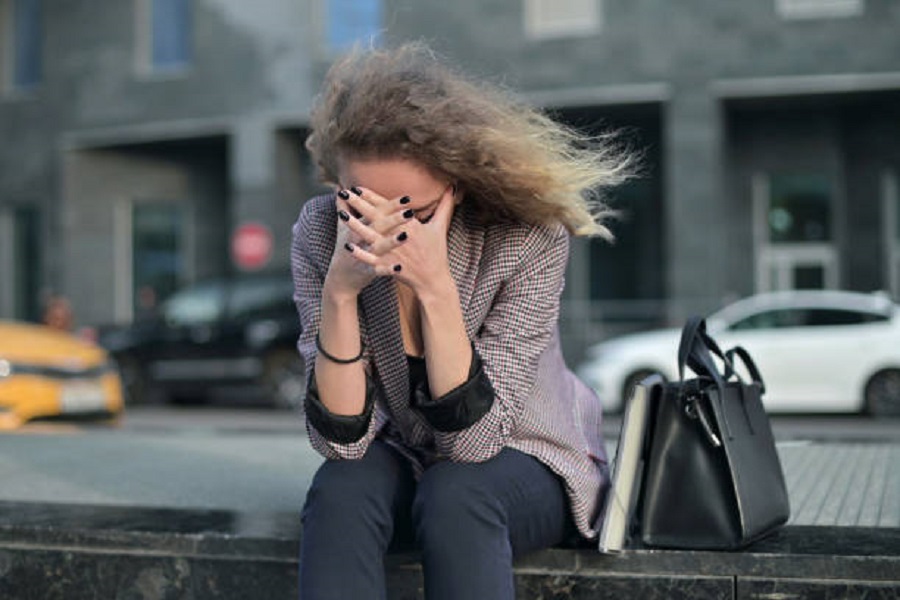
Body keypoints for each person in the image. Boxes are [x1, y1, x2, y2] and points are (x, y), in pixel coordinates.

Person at [290, 42, 632, 600]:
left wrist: (434, 286)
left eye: (410, 213)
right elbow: (342, 443)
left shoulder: (526, 236)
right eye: (359, 205)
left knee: (457, 493)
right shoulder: (321, 231)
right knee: (340, 488)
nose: (379, 233)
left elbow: (474, 443)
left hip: (526, 454)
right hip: (406, 453)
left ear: (455, 184)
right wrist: (338, 294)